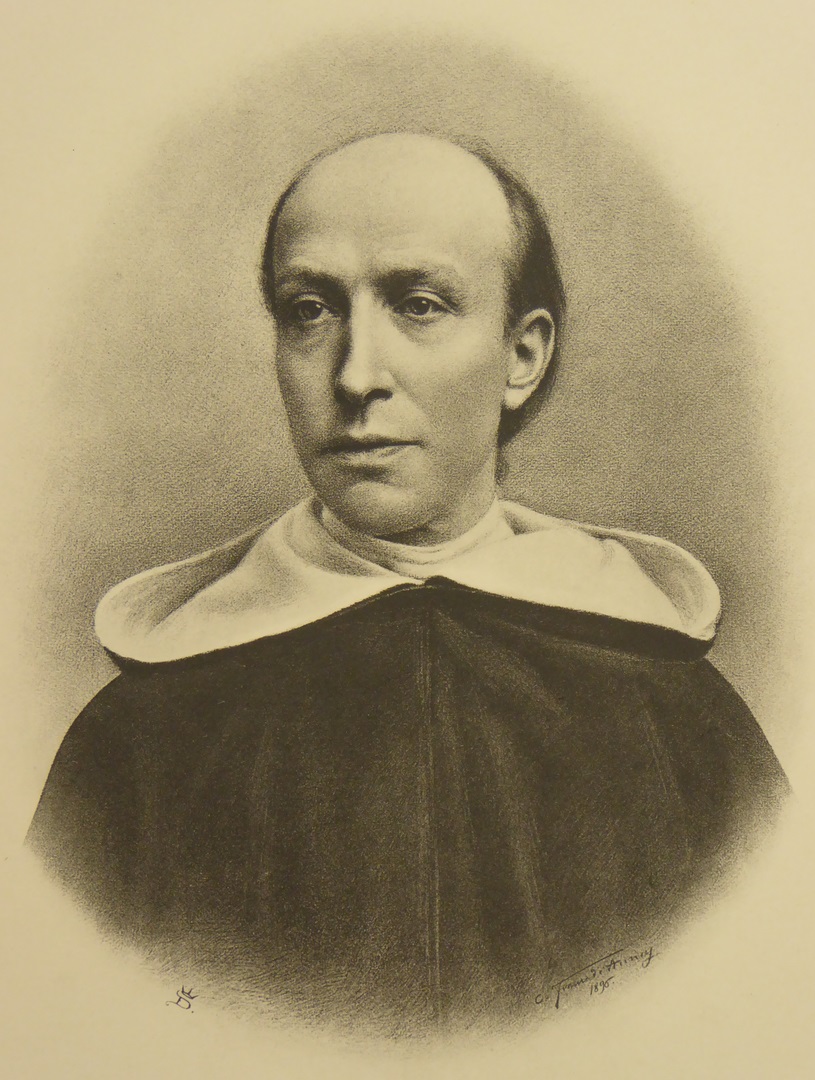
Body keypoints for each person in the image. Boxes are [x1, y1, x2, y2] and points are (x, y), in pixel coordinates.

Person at [27, 133, 788, 1035]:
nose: (354, 376)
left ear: (522, 356)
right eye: (309, 310)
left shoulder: (678, 720)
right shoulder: (140, 741)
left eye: (419, 305)